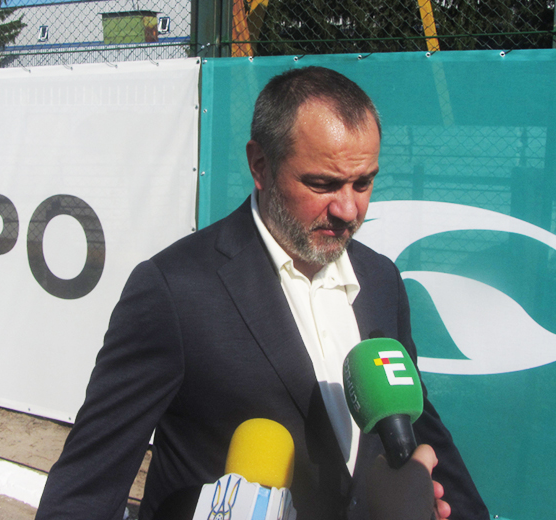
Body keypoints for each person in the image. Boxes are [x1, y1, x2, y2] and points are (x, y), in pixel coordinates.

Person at [35, 66, 489, 520]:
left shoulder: (382, 279)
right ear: (260, 165)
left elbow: (418, 422)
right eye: (323, 183)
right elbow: (85, 488)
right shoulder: (174, 290)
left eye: (363, 182)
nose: (348, 209)